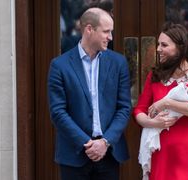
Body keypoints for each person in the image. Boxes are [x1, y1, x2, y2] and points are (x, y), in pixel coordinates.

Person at [48, 7, 132, 180]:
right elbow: (58, 112)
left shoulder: (118, 63)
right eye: (106, 31)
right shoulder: (59, 65)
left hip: (109, 155)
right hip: (74, 154)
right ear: (89, 29)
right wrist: (87, 144)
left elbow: (124, 108)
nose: (111, 37)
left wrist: (104, 142)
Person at [133, 22, 188, 180]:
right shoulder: (155, 76)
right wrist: (152, 123)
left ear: (180, 48)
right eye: (158, 44)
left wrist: (166, 103)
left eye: (164, 45)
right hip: (161, 155)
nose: (158, 49)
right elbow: (139, 109)